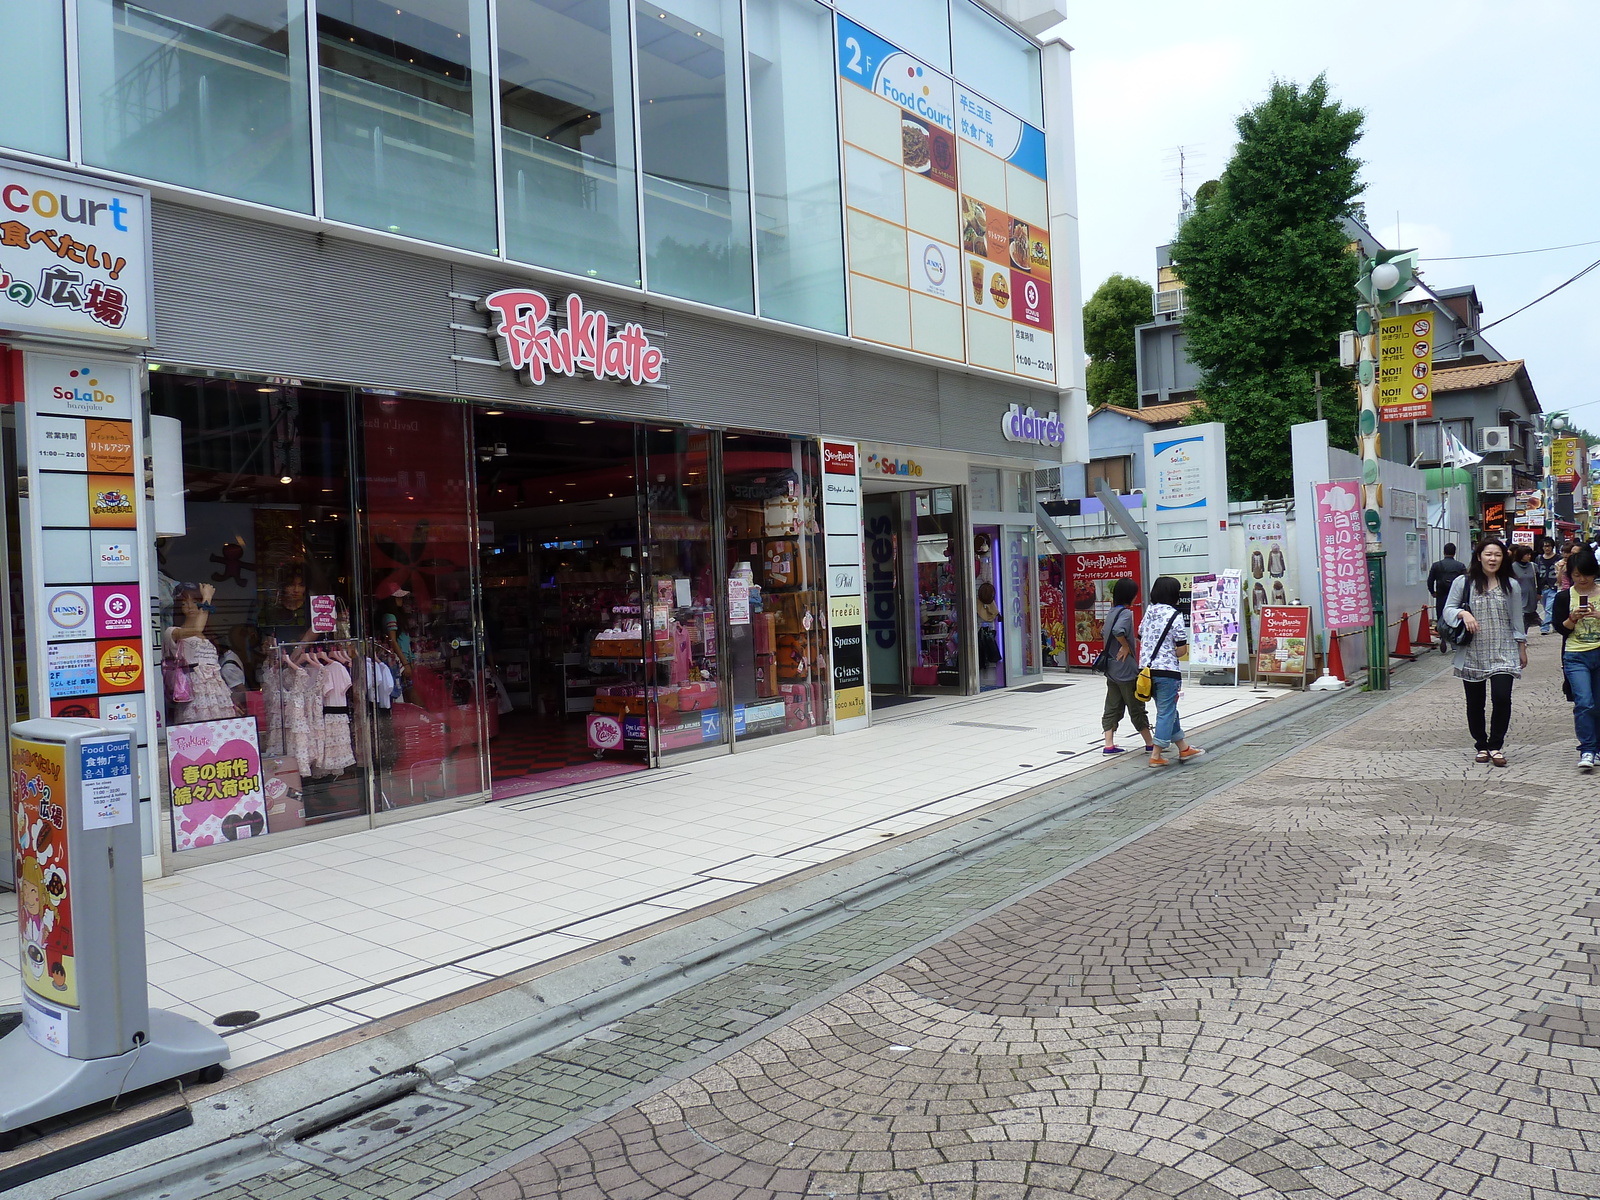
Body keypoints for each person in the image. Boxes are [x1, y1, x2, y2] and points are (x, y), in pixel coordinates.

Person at [1443, 538, 1528, 768]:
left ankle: (1496, 745)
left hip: (1504, 648)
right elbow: (1448, 609)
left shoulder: (1511, 584)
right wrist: (1463, 614)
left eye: (1498, 555)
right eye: (1488, 554)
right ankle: (1481, 744)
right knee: (1475, 702)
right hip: (1473, 651)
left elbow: (1517, 619)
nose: (1493, 559)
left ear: (1504, 558)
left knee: (1502, 697)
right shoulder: (1464, 582)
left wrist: (1521, 646)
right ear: (1479, 556)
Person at [1138, 576, 1204, 768]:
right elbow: (1181, 649)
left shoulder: (1149, 612)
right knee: (1166, 712)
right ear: (1175, 594)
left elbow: (1141, 635)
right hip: (1168, 671)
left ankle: (1184, 748)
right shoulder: (1175, 616)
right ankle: (1156, 754)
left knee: (1168, 710)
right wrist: (1171, 651)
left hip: (1147, 670)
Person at [1553, 549, 1600, 772]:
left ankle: (1597, 747)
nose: (1582, 580)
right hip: (1575, 655)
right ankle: (1588, 749)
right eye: (1577, 575)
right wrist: (1572, 618)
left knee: (1598, 704)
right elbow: (1560, 629)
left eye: (1587, 575)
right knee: (1584, 702)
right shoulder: (1564, 597)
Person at [1099, 578, 1154, 756]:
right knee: (1136, 706)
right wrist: (1125, 646)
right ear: (1129, 596)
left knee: (1112, 706)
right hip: (1126, 669)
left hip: (1112, 668)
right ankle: (1150, 743)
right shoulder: (1126, 614)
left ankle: (1109, 744)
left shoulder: (1111, 612)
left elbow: (1104, 632)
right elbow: (1118, 631)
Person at [1427, 544, 1468, 654]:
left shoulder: (1436, 565)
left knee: (1441, 617)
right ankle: (1454, 642)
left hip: (1441, 595)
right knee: (1455, 617)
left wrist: (1432, 592)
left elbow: (1430, 580)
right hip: (1456, 597)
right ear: (1454, 552)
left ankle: (1442, 637)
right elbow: (1466, 581)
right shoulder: (1460, 566)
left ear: (1444, 552)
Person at [1510, 545, 1540, 631]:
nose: (1529, 556)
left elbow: (1539, 579)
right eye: (1527, 554)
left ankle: (1524, 634)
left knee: (1528, 616)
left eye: (1530, 554)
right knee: (1521, 615)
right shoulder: (1513, 567)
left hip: (1531, 596)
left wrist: (1539, 593)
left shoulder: (1533, 566)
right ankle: (1521, 635)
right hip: (1519, 596)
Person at [1537, 538, 1563, 634]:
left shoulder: (1558, 558)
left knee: (1549, 608)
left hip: (1554, 586)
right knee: (1547, 608)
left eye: (1548, 546)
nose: (1546, 548)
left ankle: (1545, 627)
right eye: (1544, 546)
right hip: (1542, 587)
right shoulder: (1539, 558)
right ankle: (1555, 625)